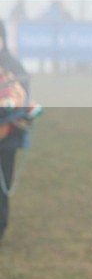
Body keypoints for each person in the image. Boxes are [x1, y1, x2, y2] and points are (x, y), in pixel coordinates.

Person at [0, 20, 41, 241]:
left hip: (7, 138)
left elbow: (21, 97)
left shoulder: (13, 66)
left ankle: (0, 226)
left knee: (1, 183)